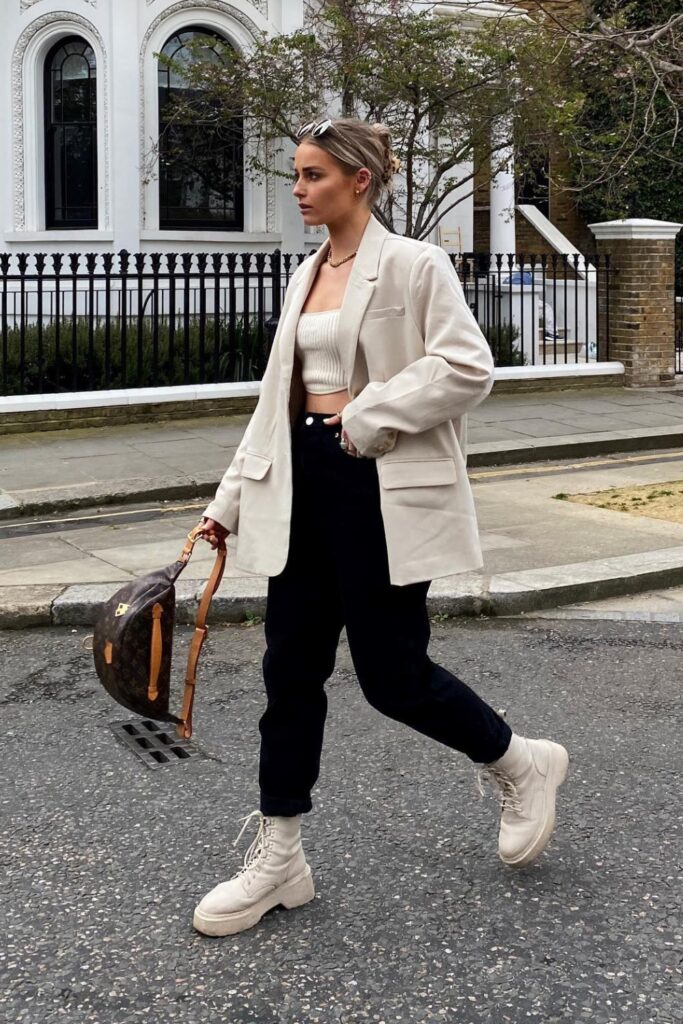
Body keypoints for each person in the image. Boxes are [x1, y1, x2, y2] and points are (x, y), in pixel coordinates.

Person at [194, 118, 569, 937]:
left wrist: (369, 414)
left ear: (359, 180)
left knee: (391, 675)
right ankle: (280, 856)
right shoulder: (303, 276)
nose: (298, 189)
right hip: (299, 479)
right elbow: (274, 404)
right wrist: (226, 503)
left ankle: (518, 760)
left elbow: (468, 366)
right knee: (287, 672)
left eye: (313, 175)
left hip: (375, 480)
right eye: (296, 175)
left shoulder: (414, 263)